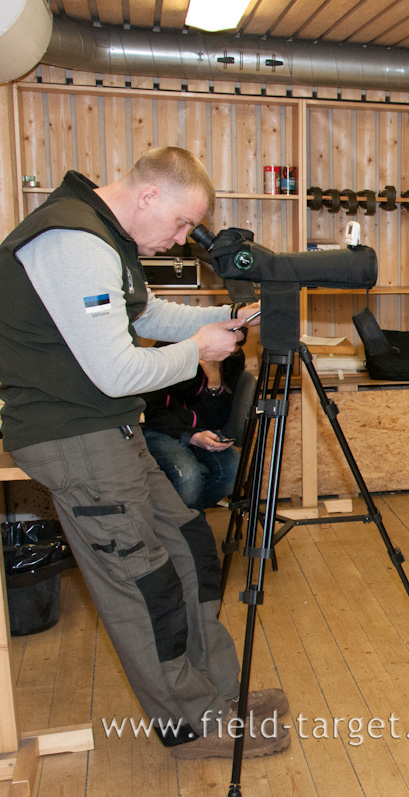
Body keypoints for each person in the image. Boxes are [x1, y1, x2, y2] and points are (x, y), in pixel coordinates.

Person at [0, 147, 288, 759]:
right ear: (149, 195)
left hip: (106, 429)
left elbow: (146, 311)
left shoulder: (105, 235)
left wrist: (225, 319)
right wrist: (200, 351)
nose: (184, 240)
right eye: (182, 224)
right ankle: (192, 726)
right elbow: (114, 370)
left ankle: (214, 694)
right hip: (73, 434)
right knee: (143, 580)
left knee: (189, 543)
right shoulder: (72, 240)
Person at [141, 348, 245, 511]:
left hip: (199, 429)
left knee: (233, 473)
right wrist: (191, 435)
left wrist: (214, 383)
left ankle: (186, 520)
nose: (231, 350)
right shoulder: (167, 351)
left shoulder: (232, 357)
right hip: (161, 428)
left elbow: (217, 420)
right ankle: (187, 526)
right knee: (188, 479)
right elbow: (152, 411)